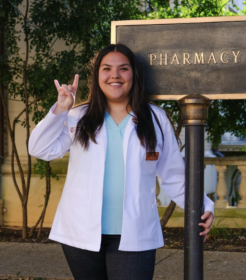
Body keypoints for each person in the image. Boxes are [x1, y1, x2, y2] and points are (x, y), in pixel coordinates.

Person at [29, 44, 214, 280]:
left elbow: (173, 175)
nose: (115, 75)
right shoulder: (78, 116)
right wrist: (62, 108)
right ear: (97, 76)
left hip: (133, 235)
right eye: (106, 69)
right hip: (81, 234)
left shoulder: (155, 118)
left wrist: (203, 206)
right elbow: (39, 148)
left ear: (133, 75)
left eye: (123, 69)